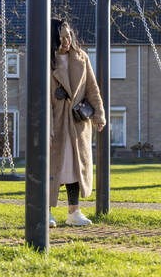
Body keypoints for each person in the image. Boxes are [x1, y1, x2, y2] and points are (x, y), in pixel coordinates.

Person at [49, 19, 106, 227]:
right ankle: (45, 211)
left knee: (74, 165)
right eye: (61, 37)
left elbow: (92, 87)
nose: (67, 40)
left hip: (77, 122)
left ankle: (74, 212)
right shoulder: (46, 60)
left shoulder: (81, 57)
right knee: (52, 166)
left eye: (69, 35)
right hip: (54, 120)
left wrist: (99, 114)